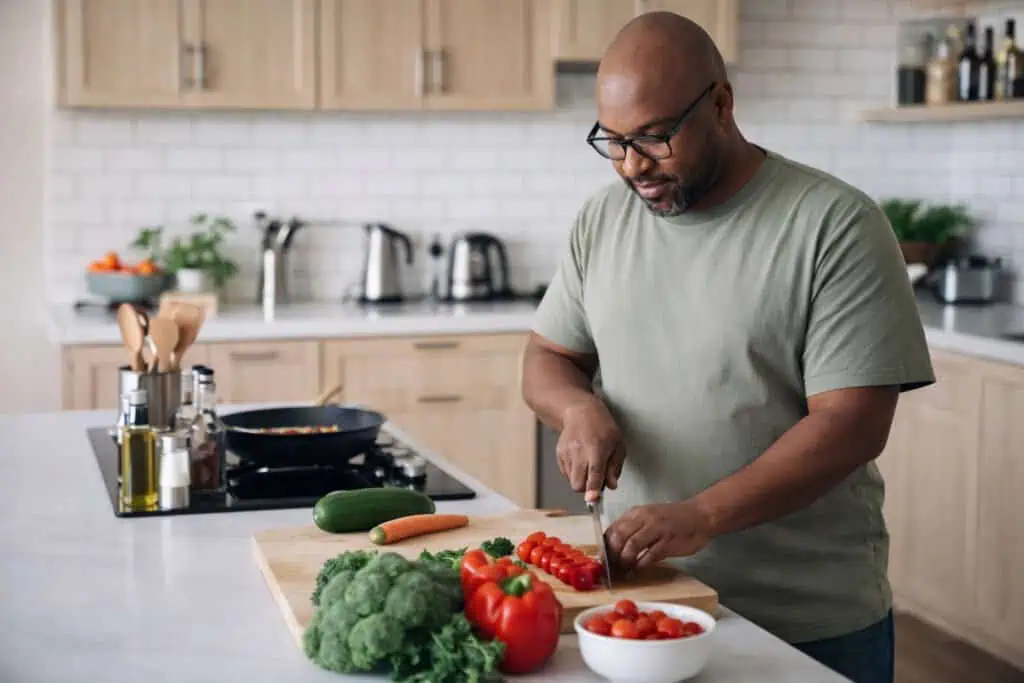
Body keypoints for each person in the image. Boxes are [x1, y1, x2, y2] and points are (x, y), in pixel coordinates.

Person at [521, 11, 935, 683]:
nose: (632, 166)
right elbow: (546, 357)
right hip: (644, 604)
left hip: (805, 622)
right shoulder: (603, 218)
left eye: (655, 138)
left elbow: (853, 423)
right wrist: (576, 409)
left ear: (721, 103)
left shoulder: (835, 224)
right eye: (614, 141)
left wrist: (703, 514)